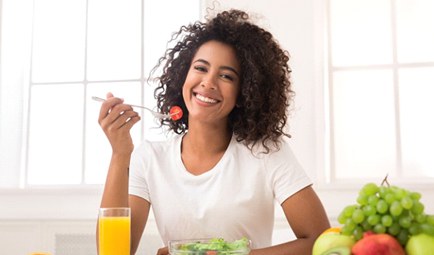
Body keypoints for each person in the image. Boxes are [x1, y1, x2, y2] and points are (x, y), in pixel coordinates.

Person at [97, 9, 330, 255]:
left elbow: (319, 240)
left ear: (244, 93)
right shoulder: (150, 158)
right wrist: (120, 154)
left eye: (226, 76)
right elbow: (113, 253)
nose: (208, 82)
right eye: (200, 68)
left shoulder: (265, 151)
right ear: (183, 76)